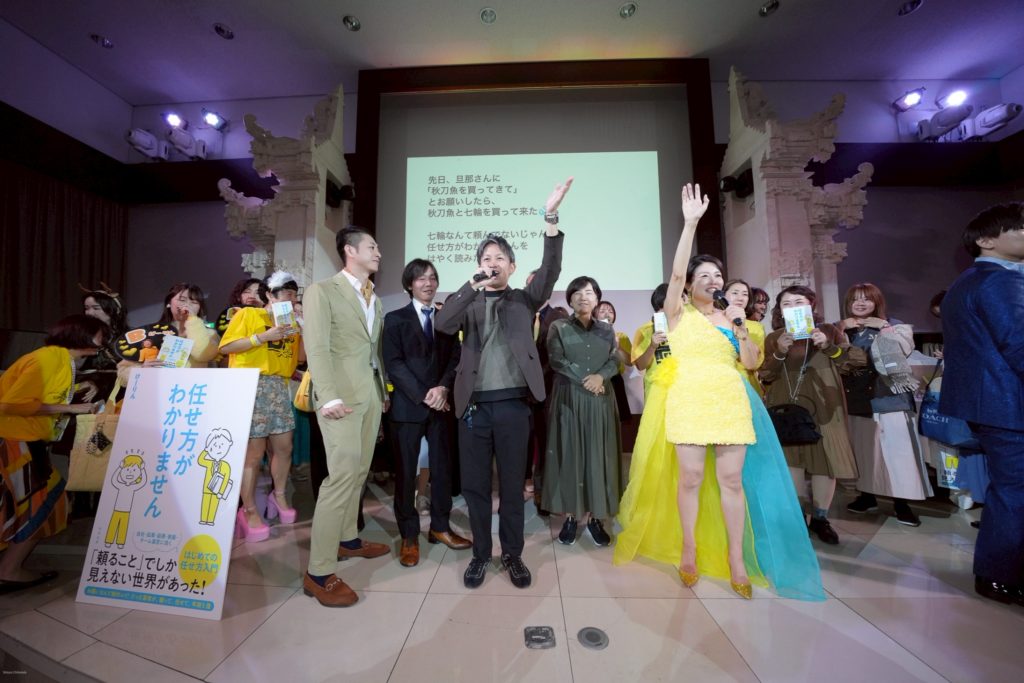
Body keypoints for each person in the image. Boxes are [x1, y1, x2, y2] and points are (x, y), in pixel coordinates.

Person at [616, 185, 824, 602]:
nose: (713, 281)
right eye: (704, 276)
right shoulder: (677, 313)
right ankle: (689, 550)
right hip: (689, 398)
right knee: (691, 479)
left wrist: (741, 328)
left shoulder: (734, 318)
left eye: (718, 276)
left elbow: (750, 362)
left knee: (731, 482)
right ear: (690, 285)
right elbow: (676, 274)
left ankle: (736, 559)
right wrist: (690, 224)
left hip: (730, 400)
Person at [435, 177, 573, 590]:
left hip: (514, 406)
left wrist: (550, 218)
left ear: (511, 267)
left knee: (512, 486)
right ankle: (481, 554)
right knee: (476, 488)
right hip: (473, 408)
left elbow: (550, 270)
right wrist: (471, 285)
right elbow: (443, 324)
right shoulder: (468, 300)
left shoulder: (524, 299)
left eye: (499, 257)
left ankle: (512, 553)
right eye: (486, 257)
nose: (492, 262)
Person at [940, 202, 1024, 607]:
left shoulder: (967, 281)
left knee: (1010, 488)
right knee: (1015, 490)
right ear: (987, 240)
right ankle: (1000, 574)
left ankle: (998, 570)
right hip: (1009, 404)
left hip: (990, 404)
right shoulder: (998, 281)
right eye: (1019, 228)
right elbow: (1019, 344)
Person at [301, 226, 390, 607]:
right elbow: (317, 348)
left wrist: (382, 391)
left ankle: (348, 538)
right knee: (339, 477)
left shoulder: (375, 298)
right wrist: (328, 395)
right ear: (350, 251)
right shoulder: (322, 291)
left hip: (369, 396)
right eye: (372, 246)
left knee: (358, 472)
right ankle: (318, 572)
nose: (379, 252)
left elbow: (373, 350)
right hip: (338, 398)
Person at [1, 315, 108, 593]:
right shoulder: (48, 359)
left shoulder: (57, 358)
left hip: (23, 441)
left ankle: (9, 567)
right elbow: (13, 403)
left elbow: (41, 395)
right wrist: (72, 408)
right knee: (45, 499)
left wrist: (78, 389)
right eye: (99, 334)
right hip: (16, 442)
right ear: (82, 335)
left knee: (42, 499)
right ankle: (9, 570)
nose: (102, 341)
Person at [382, 258, 470, 568]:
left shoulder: (446, 319)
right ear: (409, 284)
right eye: (421, 278)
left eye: (432, 277)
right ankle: (409, 535)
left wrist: (443, 388)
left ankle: (440, 527)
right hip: (408, 408)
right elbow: (394, 364)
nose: (428, 283)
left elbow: (455, 357)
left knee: (443, 470)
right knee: (407, 474)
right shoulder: (395, 319)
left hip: (441, 406)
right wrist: (424, 395)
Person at [761, 286, 864, 545]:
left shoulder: (829, 330)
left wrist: (828, 347)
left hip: (826, 403)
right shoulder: (774, 337)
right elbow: (765, 374)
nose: (793, 307)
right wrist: (780, 352)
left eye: (799, 302)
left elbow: (854, 362)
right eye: (786, 303)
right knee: (792, 459)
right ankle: (798, 517)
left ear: (811, 306)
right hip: (787, 403)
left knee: (825, 461)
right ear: (780, 310)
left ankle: (821, 518)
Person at [219, 271, 303, 542]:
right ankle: (249, 510)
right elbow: (226, 347)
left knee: (284, 447)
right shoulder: (249, 315)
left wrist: (304, 329)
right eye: (287, 295)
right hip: (250, 385)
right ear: (269, 295)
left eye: (295, 296)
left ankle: (279, 495)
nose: (292, 301)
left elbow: (299, 359)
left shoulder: (290, 322)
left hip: (279, 386)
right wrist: (263, 337)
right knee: (253, 454)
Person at [840, 283, 931, 527]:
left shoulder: (894, 325)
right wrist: (840, 329)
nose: (860, 303)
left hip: (890, 399)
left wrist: (883, 327)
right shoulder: (843, 329)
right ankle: (867, 496)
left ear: (877, 302)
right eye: (855, 299)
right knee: (864, 454)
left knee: (898, 455)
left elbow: (903, 349)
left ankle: (902, 504)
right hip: (857, 400)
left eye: (866, 299)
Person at [543, 276, 622, 546]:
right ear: (570, 299)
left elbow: (614, 358)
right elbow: (556, 359)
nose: (583, 297)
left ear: (597, 298)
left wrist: (601, 377)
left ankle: (595, 517)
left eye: (588, 292)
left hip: (600, 400)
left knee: (598, 456)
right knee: (570, 456)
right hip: (570, 399)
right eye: (577, 293)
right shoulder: (558, 327)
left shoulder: (606, 329)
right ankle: (570, 516)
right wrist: (587, 379)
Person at [525, 269, 568, 508]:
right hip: (520, 391)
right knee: (520, 442)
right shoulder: (519, 315)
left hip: (548, 390)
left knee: (545, 442)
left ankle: (543, 490)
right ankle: (521, 483)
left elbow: (559, 356)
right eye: (531, 285)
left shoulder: (559, 317)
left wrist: (537, 380)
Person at [116, 283, 220, 382]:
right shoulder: (151, 333)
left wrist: (192, 320)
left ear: (200, 307)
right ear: (169, 303)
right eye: (182, 300)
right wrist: (142, 371)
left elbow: (202, 355)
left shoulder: (210, 334)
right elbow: (123, 372)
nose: (187, 305)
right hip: (157, 390)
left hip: (193, 390)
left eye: (194, 302)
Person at [723, 279, 766, 395]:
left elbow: (756, 362)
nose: (740, 298)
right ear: (723, 295)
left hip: (747, 385)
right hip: (721, 382)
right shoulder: (712, 321)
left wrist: (742, 330)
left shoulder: (756, 327)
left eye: (745, 294)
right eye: (735, 293)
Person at [595, 299, 633, 422]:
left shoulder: (620, 337)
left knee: (617, 421)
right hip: (595, 380)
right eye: (602, 311)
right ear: (594, 315)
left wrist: (618, 347)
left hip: (614, 380)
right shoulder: (588, 336)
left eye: (610, 311)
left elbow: (630, 362)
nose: (607, 314)